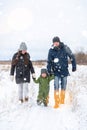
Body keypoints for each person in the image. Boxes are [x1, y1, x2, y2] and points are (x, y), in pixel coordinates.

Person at [47, 36, 76, 108]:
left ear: (59, 42)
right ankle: (57, 102)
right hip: (56, 71)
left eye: (56, 42)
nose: (55, 44)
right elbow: (49, 61)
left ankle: (62, 100)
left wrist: (74, 66)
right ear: (53, 43)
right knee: (56, 85)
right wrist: (49, 70)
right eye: (54, 43)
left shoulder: (65, 48)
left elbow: (72, 56)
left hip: (64, 70)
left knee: (64, 86)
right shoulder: (51, 50)